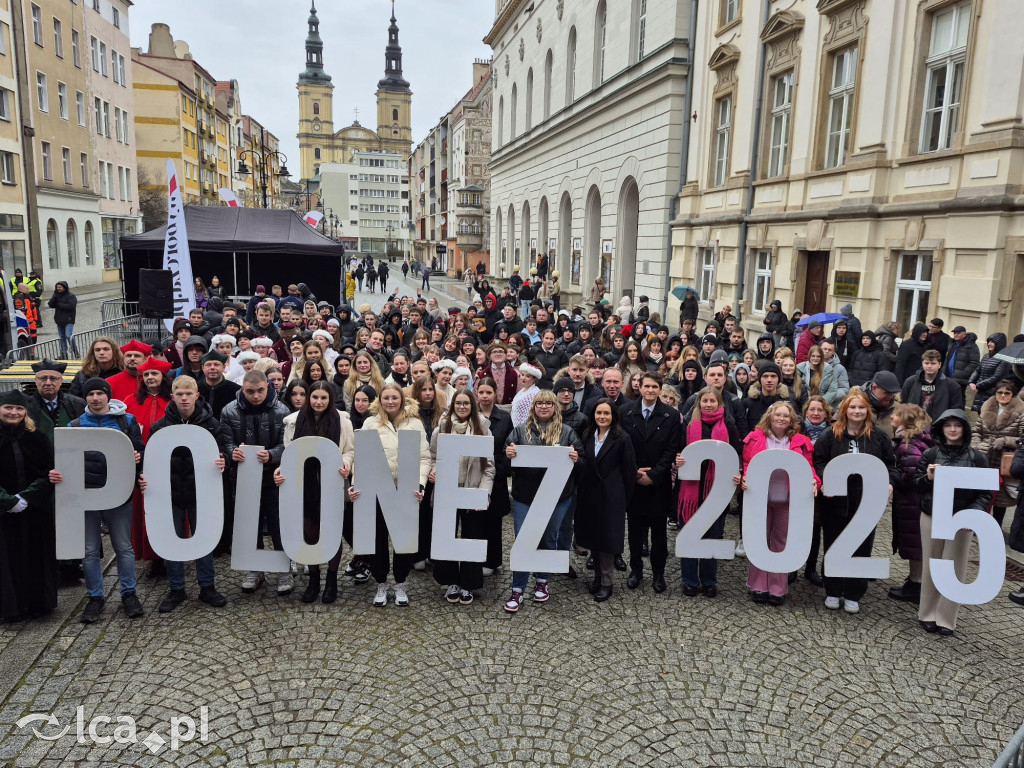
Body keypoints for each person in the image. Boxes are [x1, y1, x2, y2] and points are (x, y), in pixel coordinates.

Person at [60, 377, 145, 623]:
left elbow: (141, 450)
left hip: (119, 494)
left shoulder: (126, 421)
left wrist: (138, 459)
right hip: (86, 495)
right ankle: (95, 597)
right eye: (91, 394)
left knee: (123, 546)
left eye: (100, 393)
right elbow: (66, 458)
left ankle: (129, 593)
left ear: (108, 396)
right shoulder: (75, 425)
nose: (95, 398)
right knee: (89, 551)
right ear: (85, 398)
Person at [143, 376, 229, 612]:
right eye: (179, 394)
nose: (184, 398)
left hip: (202, 492)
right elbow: (151, 463)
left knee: (205, 540)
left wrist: (224, 461)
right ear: (172, 396)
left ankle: (207, 587)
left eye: (188, 394)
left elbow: (224, 455)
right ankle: (176, 589)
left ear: (196, 396)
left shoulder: (211, 424)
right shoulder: (160, 427)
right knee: (174, 541)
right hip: (171, 494)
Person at [813, 390, 898, 614]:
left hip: (866, 502)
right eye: (852, 407)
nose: (857, 411)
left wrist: (889, 482)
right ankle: (832, 589)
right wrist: (825, 479)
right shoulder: (831, 434)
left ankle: (853, 592)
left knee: (862, 546)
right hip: (835, 501)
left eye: (861, 407)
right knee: (833, 543)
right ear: (845, 410)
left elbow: (890, 464)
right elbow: (818, 460)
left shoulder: (878, 437)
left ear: (867, 411)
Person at [348, 382, 430, 607]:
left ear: (402, 400)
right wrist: (356, 484)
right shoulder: (369, 423)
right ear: (380, 400)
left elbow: (424, 458)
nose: (391, 402)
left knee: (403, 540)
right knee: (378, 539)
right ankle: (381, 582)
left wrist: (420, 484)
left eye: (395, 397)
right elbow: (360, 457)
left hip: (404, 488)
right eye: (386, 398)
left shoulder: (415, 424)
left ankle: (401, 583)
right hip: (376, 489)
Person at [275, 381, 355, 604]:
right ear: (309, 398)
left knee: (331, 532)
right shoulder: (294, 422)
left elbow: (349, 450)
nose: (319, 402)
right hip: (305, 484)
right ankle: (313, 580)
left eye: (323, 398)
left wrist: (346, 463)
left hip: (332, 481)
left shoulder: (342, 421)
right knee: (310, 531)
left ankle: (331, 581)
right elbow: (288, 453)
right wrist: (281, 470)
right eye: (315, 397)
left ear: (330, 399)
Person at [503, 390, 584, 612]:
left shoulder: (567, 432)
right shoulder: (519, 431)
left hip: (557, 497)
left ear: (555, 407)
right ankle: (517, 589)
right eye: (540, 403)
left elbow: (583, 460)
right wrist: (508, 452)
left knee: (549, 538)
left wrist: (576, 459)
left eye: (549, 403)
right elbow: (504, 456)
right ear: (533, 407)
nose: (545, 407)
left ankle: (542, 580)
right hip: (525, 497)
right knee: (523, 541)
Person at [913, 410, 992, 636]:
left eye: (958, 425)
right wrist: (928, 478)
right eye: (948, 425)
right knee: (931, 565)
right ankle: (927, 613)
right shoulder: (930, 454)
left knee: (955, 567)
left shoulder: (978, 458)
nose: (953, 429)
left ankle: (946, 618)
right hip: (932, 516)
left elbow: (985, 493)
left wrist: (973, 515)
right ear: (941, 429)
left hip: (962, 520)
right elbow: (916, 486)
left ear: (965, 429)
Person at [742, 401, 820, 605]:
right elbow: (747, 463)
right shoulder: (755, 438)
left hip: (787, 500)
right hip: (759, 498)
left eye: (786, 415)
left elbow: (808, 467)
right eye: (778, 414)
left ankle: (777, 588)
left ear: (792, 419)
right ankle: (758, 585)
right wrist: (744, 477)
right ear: (770, 416)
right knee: (758, 541)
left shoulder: (801, 441)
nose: (782, 418)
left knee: (781, 543)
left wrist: (815, 481)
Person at [220, 370, 290, 595]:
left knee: (279, 525)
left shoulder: (282, 411)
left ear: (268, 387)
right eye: (250, 392)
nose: (256, 396)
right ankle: (255, 569)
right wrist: (234, 453)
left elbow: (287, 444)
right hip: (244, 477)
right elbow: (226, 441)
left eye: (260, 390)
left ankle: (283, 570)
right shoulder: (229, 411)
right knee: (250, 526)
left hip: (273, 478)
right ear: (242, 389)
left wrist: (272, 455)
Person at [428, 389, 496, 605]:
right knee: (445, 536)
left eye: (466, 403)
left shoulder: (482, 428)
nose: (462, 407)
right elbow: (432, 457)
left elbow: (489, 467)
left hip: (472, 490)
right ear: (453, 405)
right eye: (458, 403)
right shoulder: (442, 428)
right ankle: (450, 582)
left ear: (472, 406)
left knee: (471, 536)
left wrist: (484, 493)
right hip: (447, 492)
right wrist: (433, 471)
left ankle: (469, 582)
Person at [676, 386, 742, 597]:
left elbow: (737, 450)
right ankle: (689, 580)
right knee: (689, 531)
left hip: (717, 487)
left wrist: (738, 470)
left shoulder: (729, 424)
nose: (708, 404)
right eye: (705, 401)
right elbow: (678, 448)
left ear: (719, 403)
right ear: (699, 403)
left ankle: (709, 580)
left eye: (712, 401)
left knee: (714, 533)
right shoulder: (689, 423)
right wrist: (678, 460)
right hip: (691, 486)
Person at [620, 372, 681, 594]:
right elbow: (622, 446)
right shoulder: (625, 412)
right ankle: (636, 570)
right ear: (639, 387)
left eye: (655, 387)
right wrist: (634, 472)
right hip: (634, 481)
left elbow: (671, 449)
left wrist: (654, 475)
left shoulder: (671, 415)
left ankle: (659, 573)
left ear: (660, 389)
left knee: (659, 534)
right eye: (646, 386)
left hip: (659, 483)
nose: (650, 390)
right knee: (635, 532)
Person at [0, 390, 57, 621]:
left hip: (33, 511)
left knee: (36, 556)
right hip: (3, 513)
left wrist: (27, 498)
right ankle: (11, 607)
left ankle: (38, 603)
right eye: (8, 408)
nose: (14, 413)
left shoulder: (37, 438)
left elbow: (49, 472)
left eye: (19, 409)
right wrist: (8, 501)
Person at [887, 403, 932, 604]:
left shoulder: (908, 445)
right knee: (917, 544)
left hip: (911, 503)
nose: (891, 418)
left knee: (915, 544)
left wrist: (893, 482)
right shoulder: (918, 441)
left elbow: (909, 475)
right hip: (914, 502)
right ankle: (916, 581)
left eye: (896, 415)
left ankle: (916, 584)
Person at [971, 380, 1024, 526]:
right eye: (999, 392)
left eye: (1007, 393)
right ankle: (978, 526)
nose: (1003, 395)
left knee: (1000, 499)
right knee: (982, 494)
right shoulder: (987, 407)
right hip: (985, 458)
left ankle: (996, 526)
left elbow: (1023, 438)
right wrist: (977, 446)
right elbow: (976, 431)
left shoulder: (1021, 412)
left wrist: (1006, 440)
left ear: (1013, 395)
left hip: (1004, 461)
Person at [474, 378, 513, 576]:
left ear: (495, 394)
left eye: (489, 392)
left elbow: (509, 446)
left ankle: (493, 559)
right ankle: (476, 557)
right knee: (476, 519)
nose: (485, 396)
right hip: (474, 473)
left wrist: (502, 469)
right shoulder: (472, 415)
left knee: (494, 520)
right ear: (477, 393)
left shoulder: (504, 418)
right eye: (482, 392)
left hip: (496, 474)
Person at [801, 396, 833, 586]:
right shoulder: (796, 430)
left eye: (820, 410)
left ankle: (810, 568)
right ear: (806, 412)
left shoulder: (831, 433)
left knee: (815, 529)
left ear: (826, 413)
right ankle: (791, 568)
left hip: (820, 488)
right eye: (812, 410)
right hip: (798, 486)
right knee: (796, 528)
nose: (815, 413)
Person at [900, 349, 963, 420]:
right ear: (922, 364)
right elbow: (903, 404)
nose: (929, 366)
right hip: (913, 424)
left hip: (938, 426)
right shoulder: (910, 382)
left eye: (933, 363)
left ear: (939, 365)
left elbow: (956, 410)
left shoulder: (952, 386)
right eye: (926, 363)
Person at [969, 333, 1011, 414]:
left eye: (992, 342)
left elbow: (997, 377)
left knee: (989, 415)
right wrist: (971, 382)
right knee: (980, 414)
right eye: (988, 341)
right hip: (981, 392)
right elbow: (978, 370)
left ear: (998, 344)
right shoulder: (986, 356)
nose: (989, 344)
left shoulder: (1004, 359)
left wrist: (978, 385)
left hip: (992, 393)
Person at [944, 326, 980, 396]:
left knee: (959, 398)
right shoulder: (952, 344)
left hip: (960, 380)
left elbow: (974, 363)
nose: (955, 335)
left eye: (958, 333)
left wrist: (962, 374)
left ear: (964, 334)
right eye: (954, 333)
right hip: (948, 377)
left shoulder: (971, 346)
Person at [47, 281, 78, 358]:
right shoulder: (56, 295)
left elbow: (71, 306)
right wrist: (54, 296)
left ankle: (75, 350)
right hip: (59, 320)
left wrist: (58, 304)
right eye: (57, 287)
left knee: (68, 335)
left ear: (64, 287)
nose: (58, 289)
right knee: (62, 337)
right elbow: (50, 304)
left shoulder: (71, 296)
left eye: (60, 287)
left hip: (69, 320)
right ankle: (63, 354)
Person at [511, 363, 542, 427]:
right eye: (522, 375)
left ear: (534, 379)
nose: (523, 378)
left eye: (528, 376)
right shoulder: (521, 391)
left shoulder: (535, 393)